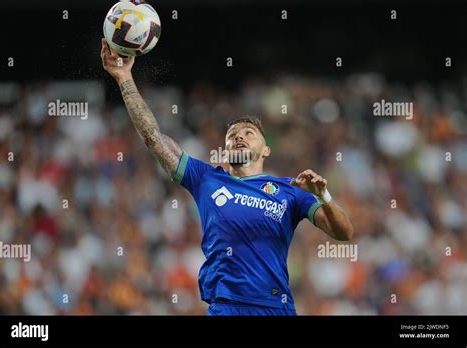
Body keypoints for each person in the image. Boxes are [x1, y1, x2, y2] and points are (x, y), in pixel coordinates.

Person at [100, 39, 353, 316]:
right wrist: (125, 78)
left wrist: (323, 196)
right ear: (225, 148)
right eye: (233, 136)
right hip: (226, 308)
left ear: (266, 149)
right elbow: (153, 137)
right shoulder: (206, 179)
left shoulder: (290, 190)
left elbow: (343, 233)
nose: (240, 137)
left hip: (275, 308)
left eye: (249, 133)